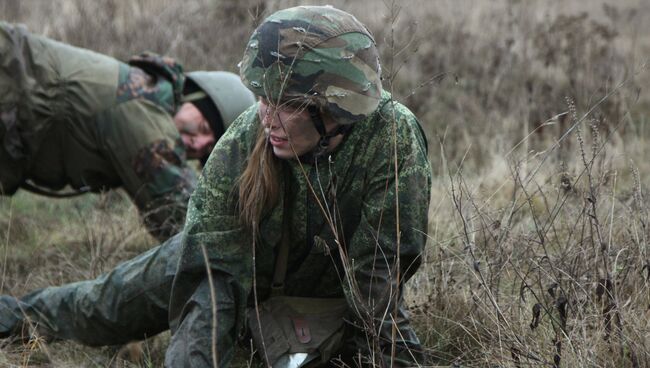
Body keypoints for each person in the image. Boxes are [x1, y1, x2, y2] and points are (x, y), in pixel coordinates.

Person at [0, 5, 432, 367]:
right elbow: (210, 277)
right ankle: (12, 316)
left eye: (286, 104)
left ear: (333, 107)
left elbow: (379, 282)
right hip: (235, 265)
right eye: (262, 97)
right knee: (104, 305)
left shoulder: (392, 141)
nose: (267, 116)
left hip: (320, 293)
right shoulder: (245, 140)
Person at [0, 22, 255, 240]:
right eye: (203, 127)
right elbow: (188, 223)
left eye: (208, 149)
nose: (198, 144)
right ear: (189, 95)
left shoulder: (143, 95)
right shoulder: (142, 111)